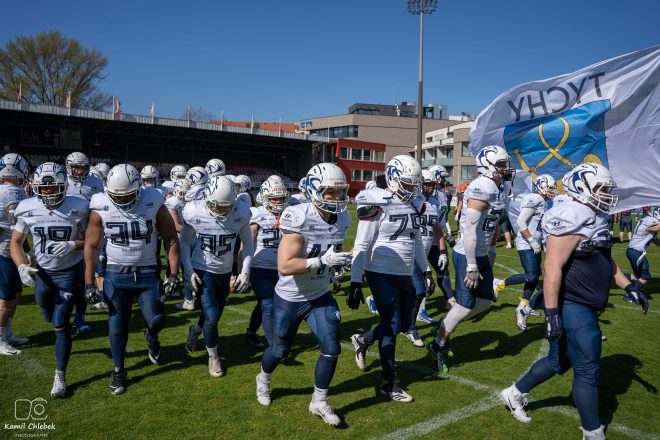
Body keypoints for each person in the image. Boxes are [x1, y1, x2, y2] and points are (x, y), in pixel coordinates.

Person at [499, 163, 648, 440]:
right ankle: (592, 433)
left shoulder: (593, 214)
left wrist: (628, 285)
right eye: (602, 188)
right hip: (572, 303)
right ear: (582, 188)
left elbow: (605, 259)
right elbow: (553, 266)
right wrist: (552, 312)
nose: (606, 193)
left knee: (559, 362)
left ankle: (513, 393)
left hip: (585, 303)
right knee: (587, 367)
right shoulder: (571, 213)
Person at [255, 163, 352, 426]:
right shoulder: (298, 215)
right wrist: (323, 261)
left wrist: (337, 267)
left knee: (331, 348)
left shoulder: (343, 218)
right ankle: (263, 379)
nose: (336, 198)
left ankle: (319, 401)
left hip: (319, 295)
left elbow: (333, 251)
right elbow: (285, 265)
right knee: (279, 350)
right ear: (312, 190)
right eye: (329, 192)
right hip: (290, 296)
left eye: (339, 192)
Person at [83, 164, 181, 395]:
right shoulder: (101, 203)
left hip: (147, 272)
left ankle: (151, 337)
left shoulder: (153, 199)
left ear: (138, 188)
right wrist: (89, 283)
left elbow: (171, 238)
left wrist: (174, 273)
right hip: (117, 274)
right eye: (118, 195)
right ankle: (118, 369)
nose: (122, 199)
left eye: (127, 194)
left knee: (156, 318)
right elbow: (92, 245)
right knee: (117, 323)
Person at [349, 154, 430, 402]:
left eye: (415, 184)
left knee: (402, 324)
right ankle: (389, 382)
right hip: (380, 270)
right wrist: (355, 280)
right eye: (407, 183)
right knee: (392, 324)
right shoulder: (378, 200)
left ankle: (363, 340)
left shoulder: (416, 203)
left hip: (404, 271)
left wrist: (425, 269)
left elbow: (415, 240)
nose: (412, 188)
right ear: (394, 179)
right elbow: (362, 243)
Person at [428, 145, 512, 375]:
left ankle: (446, 324)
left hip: (483, 251)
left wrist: (493, 249)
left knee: (484, 301)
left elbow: (493, 222)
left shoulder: (499, 186)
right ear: (487, 166)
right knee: (465, 306)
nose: (506, 168)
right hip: (468, 253)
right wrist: (473, 265)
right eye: (502, 164)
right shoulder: (481, 187)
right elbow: (470, 230)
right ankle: (438, 344)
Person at [11, 162, 89, 397]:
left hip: (68, 271)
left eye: (53, 187)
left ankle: (60, 375)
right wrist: (21, 265)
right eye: (44, 188)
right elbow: (16, 241)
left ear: (64, 185)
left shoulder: (79, 206)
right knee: (46, 312)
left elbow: (95, 242)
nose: (49, 192)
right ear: (36, 188)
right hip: (42, 272)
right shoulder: (26, 207)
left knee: (60, 324)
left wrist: (73, 244)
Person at [179, 176, 254, 376]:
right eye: (216, 205)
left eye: (225, 205)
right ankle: (213, 357)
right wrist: (188, 269)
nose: (220, 209)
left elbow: (248, 244)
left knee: (214, 314)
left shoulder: (241, 212)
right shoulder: (194, 211)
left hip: (225, 271)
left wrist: (245, 270)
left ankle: (195, 329)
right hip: (203, 270)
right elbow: (184, 242)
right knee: (212, 318)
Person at [493, 174, 556, 330]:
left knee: (534, 277)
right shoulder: (534, 198)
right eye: (550, 187)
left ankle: (523, 307)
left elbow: (538, 226)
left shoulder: (542, 201)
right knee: (531, 275)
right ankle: (499, 284)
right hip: (526, 242)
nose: (552, 191)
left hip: (535, 242)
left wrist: (542, 242)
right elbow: (521, 221)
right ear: (541, 185)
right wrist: (531, 240)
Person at [403, 169, 449, 346]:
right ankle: (410, 327)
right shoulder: (406, 204)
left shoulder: (431, 205)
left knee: (417, 291)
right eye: (427, 185)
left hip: (424, 252)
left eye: (432, 185)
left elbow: (437, 230)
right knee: (418, 291)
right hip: (408, 253)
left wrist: (443, 252)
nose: (430, 188)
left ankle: (408, 325)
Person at [245, 179, 290, 348]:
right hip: (260, 267)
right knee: (268, 304)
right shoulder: (258, 214)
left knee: (269, 304)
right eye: (273, 198)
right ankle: (276, 346)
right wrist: (243, 269)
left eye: (280, 198)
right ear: (264, 197)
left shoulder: (289, 213)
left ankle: (251, 333)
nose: (278, 201)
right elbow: (248, 242)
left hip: (283, 268)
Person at [65, 152, 104, 334]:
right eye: (76, 167)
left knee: (82, 280)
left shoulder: (95, 182)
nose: (80, 171)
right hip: (68, 234)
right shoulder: (63, 181)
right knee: (67, 281)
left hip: (89, 233)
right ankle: (63, 317)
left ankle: (80, 317)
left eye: (83, 167)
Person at [0, 153, 29, 356]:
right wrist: (23, 249)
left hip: (4, 247)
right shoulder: (14, 192)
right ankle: (1, 338)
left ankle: (7, 333)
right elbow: (14, 222)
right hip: (7, 249)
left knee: (15, 293)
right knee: (6, 297)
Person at [624, 206, 660, 298]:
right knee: (645, 276)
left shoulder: (647, 220)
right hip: (637, 252)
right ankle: (629, 296)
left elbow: (653, 239)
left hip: (632, 250)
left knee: (637, 276)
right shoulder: (652, 221)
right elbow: (650, 230)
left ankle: (615, 277)